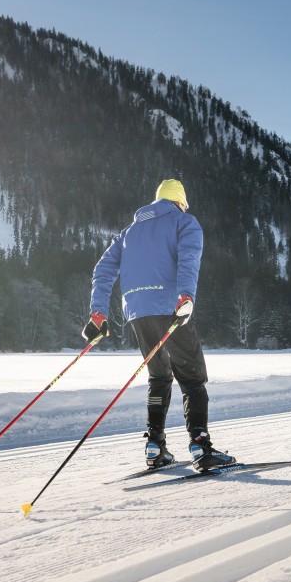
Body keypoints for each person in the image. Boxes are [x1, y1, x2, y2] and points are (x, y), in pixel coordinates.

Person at [82, 179, 236, 470]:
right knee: (192, 378)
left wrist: (98, 313)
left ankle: (155, 445)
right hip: (170, 308)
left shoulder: (128, 232)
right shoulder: (184, 221)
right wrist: (186, 296)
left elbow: (102, 269)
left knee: (160, 376)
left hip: (137, 312)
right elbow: (189, 259)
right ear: (180, 202)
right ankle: (201, 447)